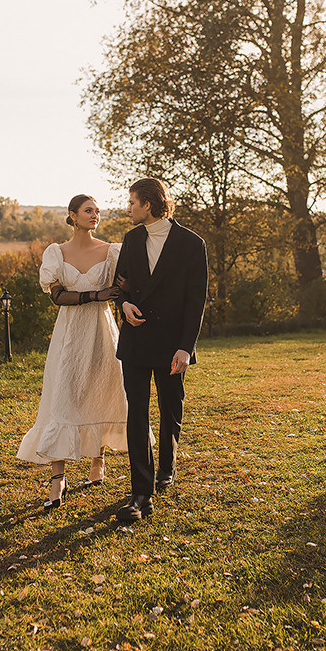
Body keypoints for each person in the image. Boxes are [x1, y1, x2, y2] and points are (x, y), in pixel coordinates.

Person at [16, 194, 128, 509]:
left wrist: (120, 296)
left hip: (102, 331)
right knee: (63, 398)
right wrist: (95, 293)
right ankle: (58, 478)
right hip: (68, 334)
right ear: (73, 215)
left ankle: (98, 462)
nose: (95, 215)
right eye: (88, 210)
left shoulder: (112, 252)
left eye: (97, 211)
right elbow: (57, 296)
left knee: (101, 389)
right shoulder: (57, 252)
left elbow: (125, 288)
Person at [114, 177, 208, 522]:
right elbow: (120, 286)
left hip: (172, 344)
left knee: (171, 408)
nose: (128, 209)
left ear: (149, 205)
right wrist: (123, 306)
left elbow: (196, 300)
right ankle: (141, 492)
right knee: (136, 413)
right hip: (135, 342)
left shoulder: (191, 243)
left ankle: (166, 465)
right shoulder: (131, 239)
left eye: (132, 203)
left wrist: (186, 348)